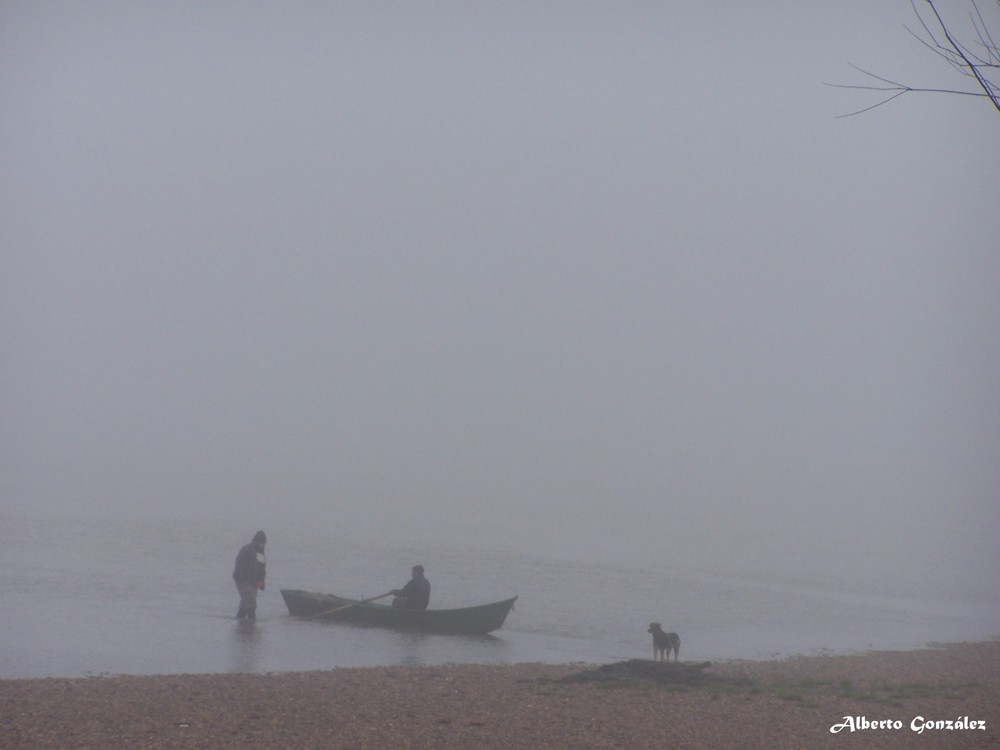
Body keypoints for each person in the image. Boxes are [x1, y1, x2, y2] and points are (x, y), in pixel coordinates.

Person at [233, 530, 266, 620]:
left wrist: (261, 582)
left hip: (252, 582)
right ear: (258, 541)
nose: (263, 545)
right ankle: (252, 624)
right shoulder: (248, 550)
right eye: (262, 543)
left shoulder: (260, 552)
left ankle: (241, 624)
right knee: (251, 604)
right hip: (245, 581)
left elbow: (261, 569)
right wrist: (249, 580)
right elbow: (250, 567)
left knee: (245, 604)